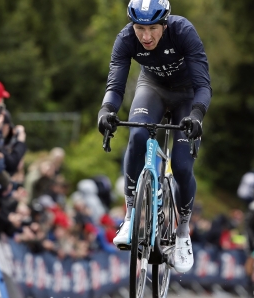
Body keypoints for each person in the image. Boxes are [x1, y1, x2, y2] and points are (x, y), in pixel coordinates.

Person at [96, 0, 211, 273]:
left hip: (187, 95)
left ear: (164, 24)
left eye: (152, 29)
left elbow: (203, 85)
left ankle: (182, 233)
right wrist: (106, 111)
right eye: (139, 28)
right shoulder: (125, 39)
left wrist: (196, 116)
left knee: (182, 167)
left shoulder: (183, 32)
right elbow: (115, 84)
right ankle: (130, 216)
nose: (146, 37)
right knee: (137, 135)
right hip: (153, 89)